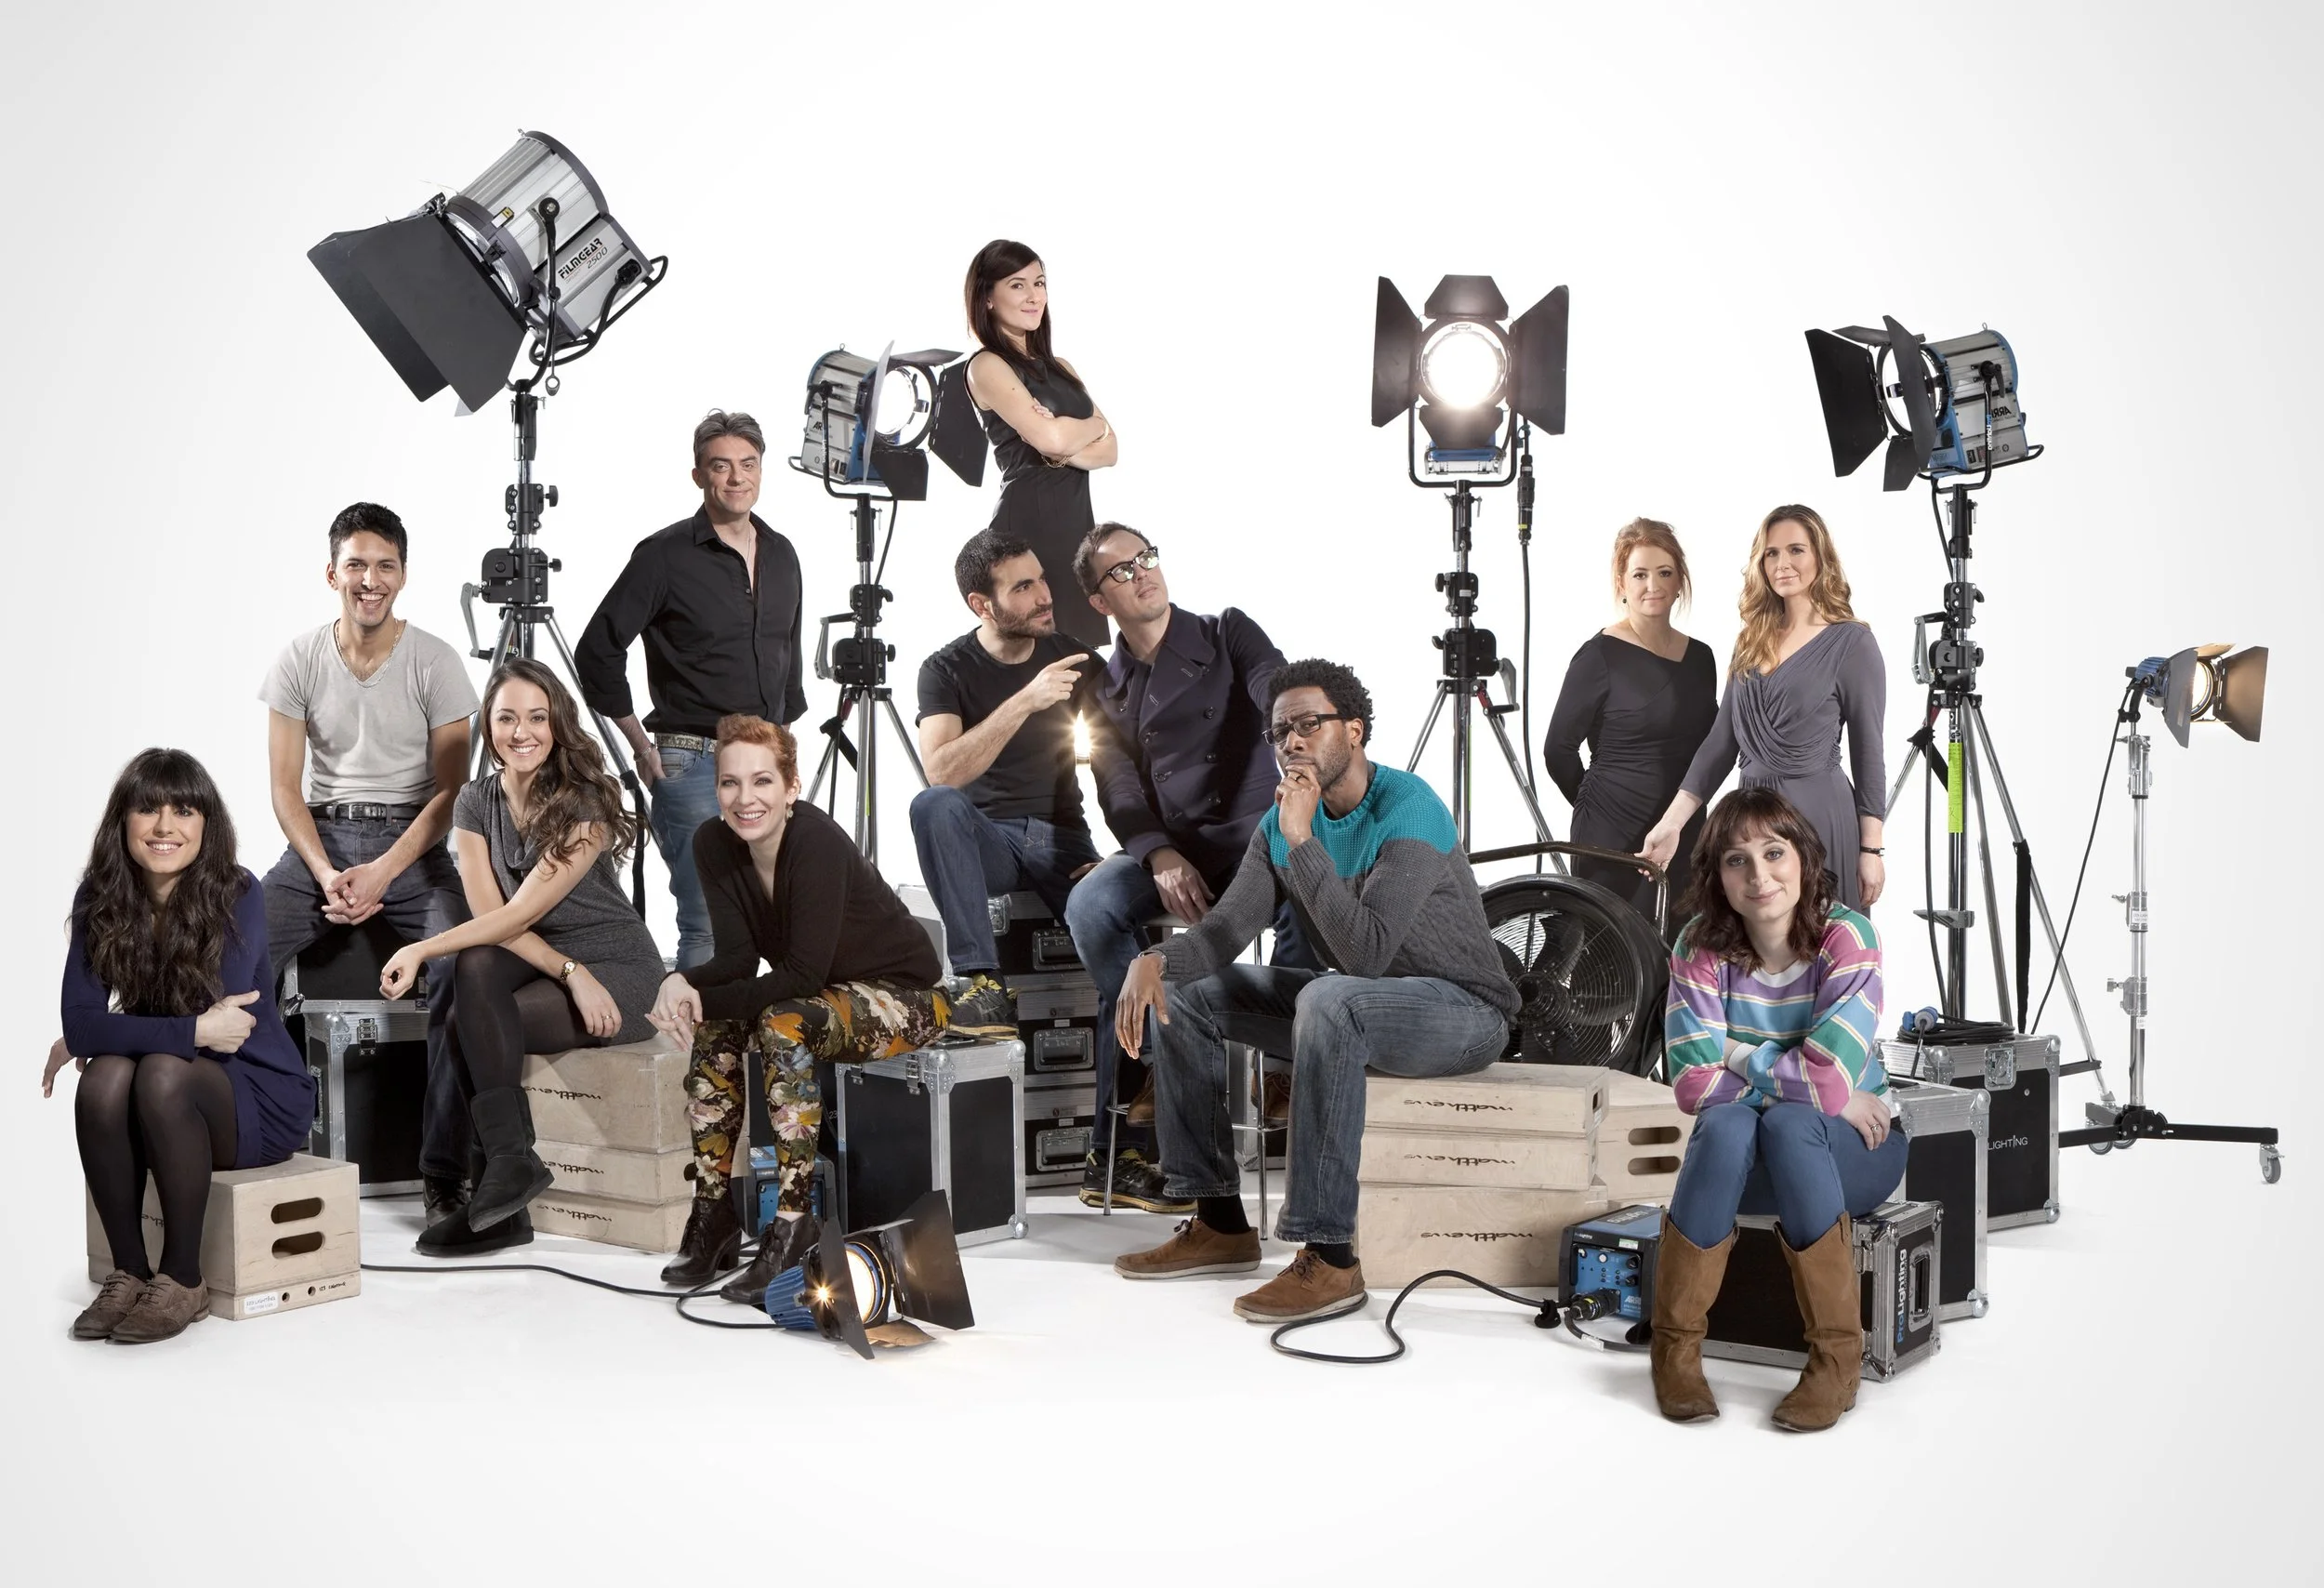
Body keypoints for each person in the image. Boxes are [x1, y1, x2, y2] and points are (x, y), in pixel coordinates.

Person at [1111, 660, 1519, 1325]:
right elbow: (1221, 933)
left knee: (1330, 996)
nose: (1292, 742)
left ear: (1353, 730)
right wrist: (1153, 961)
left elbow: (1365, 952)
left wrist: (1302, 839)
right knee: (1188, 989)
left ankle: (1330, 1258)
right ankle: (1219, 1221)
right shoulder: (1279, 825)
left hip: (1462, 1011)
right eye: (1280, 733)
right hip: (1364, 1008)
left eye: (1309, 725)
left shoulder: (1407, 807)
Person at [648, 716, 949, 1303]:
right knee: (720, 1020)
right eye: (730, 783)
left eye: (762, 782)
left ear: (791, 788)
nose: (745, 799)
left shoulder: (814, 839)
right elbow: (737, 960)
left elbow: (799, 976)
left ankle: (793, 1223)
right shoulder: (715, 843)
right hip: (827, 996)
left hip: (905, 996)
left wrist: (696, 992)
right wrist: (679, 981)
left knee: (781, 1021)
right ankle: (714, 1213)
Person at [1063, 521, 1315, 1212]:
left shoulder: (1226, 632)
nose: (1142, 573)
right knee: (1090, 905)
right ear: (1099, 600)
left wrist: (1289, 732)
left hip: (1253, 833)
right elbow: (1115, 785)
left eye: (1146, 558)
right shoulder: (1103, 683)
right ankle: (1152, 1058)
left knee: (1309, 882)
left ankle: (1286, 1066)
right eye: (1121, 570)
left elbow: (1274, 685)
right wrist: (1160, 854)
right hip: (1174, 846)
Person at [379, 658, 666, 1254]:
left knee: (464, 1015)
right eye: (506, 718)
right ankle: (511, 1169)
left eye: (537, 717)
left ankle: (500, 1195)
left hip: (616, 968)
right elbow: (492, 924)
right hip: (546, 959)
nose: (522, 732)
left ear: (558, 724)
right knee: (474, 965)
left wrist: (419, 948)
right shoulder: (473, 802)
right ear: (488, 728)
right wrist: (565, 969)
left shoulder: (584, 801)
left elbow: (518, 914)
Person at [1651, 787, 1899, 1433]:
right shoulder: (1698, 947)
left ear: (1802, 857)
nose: (1759, 876)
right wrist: (1820, 1091)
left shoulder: (1849, 937)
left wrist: (1735, 1051)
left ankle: (1836, 1362)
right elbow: (1691, 1090)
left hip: (1855, 1155)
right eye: (1737, 861)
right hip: (1739, 1165)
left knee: (1790, 1124)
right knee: (1730, 1122)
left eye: (1773, 852)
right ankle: (1675, 1352)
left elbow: (1823, 1093)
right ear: (1717, 877)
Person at [259, 501, 479, 1229]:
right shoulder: (298, 659)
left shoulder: (435, 661)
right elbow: (285, 791)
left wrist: (383, 872)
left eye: (385, 566)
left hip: (412, 849)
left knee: (458, 963)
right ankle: (254, 1136)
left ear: (403, 576)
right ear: (332, 573)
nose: (370, 579)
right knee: (236, 947)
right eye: (356, 564)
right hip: (320, 841)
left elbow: (452, 794)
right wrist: (325, 874)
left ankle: (445, 1174)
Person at [52, 750, 316, 1343]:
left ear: (206, 824)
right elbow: (88, 1025)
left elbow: (224, 1029)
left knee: (159, 1071)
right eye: (147, 809)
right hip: (170, 1088)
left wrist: (112, 1031)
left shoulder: (237, 891)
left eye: (183, 811)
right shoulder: (99, 896)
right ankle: (128, 1272)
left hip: (256, 1094)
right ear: (124, 822)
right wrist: (181, 1030)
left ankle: (183, 1278)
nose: (165, 826)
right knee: (102, 1078)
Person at [577, 409, 808, 969]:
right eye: (721, 467)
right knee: (707, 921)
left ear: (761, 470)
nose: (736, 479)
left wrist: (784, 758)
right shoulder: (665, 555)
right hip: (691, 761)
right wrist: (639, 744)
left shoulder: (782, 553)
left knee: (782, 915)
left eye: (747, 465)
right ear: (699, 475)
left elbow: (789, 663)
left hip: (766, 765)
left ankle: (763, 1050)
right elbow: (597, 650)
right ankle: (705, 1057)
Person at [1639, 505, 1888, 912]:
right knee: (1752, 958)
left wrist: (1871, 850)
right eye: (1771, 553)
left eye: (1796, 550)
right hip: (1750, 821)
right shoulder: (1750, 641)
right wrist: (1671, 824)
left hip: (1819, 818)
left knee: (1821, 952)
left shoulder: (1852, 644)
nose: (1782, 564)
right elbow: (1720, 744)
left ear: (1820, 557)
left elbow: (1868, 753)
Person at [909, 529, 1105, 1033]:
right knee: (932, 805)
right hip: (989, 841)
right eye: (1021, 588)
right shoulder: (945, 669)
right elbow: (941, 772)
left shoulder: (1076, 658)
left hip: (1062, 840)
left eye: (1041, 580)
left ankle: (1135, 1080)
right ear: (982, 604)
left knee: (1120, 950)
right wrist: (1025, 701)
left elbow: (1130, 759)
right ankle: (984, 982)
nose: (1043, 596)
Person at [1542, 517, 1718, 937]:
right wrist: (1597, 807)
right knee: (1607, 959)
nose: (1652, 585)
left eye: (1664, 573)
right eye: (1640, 574)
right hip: (1611, 833)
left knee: (1678, 951)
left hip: (1683, 826)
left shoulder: (1702, 658)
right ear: (1622, 583)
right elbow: (1558, 751)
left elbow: (1710, 746)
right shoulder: (1598, 655)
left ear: (1680, 583)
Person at [962, 239, 1118, 650]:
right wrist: (1081, 430)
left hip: (1075, 526)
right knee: (1035, 655)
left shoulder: (1061, 368)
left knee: (1083, 663)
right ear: (988, 297)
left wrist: (1064, 437)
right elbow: (1054, 440)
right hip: (1027, 525)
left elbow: (1112, 448)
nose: (1034, 296)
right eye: (1017, 285)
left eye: (1040, 282)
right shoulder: (986, 365)